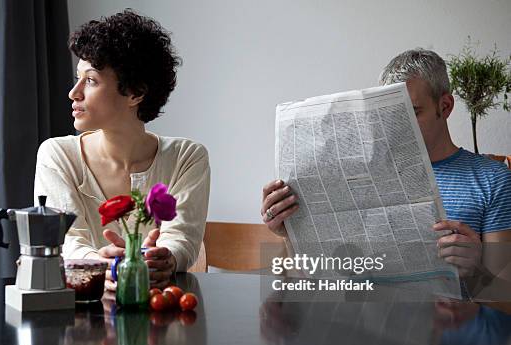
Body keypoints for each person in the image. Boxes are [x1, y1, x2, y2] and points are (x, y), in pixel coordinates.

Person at [261, 48, 511, 281]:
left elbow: (504, 296)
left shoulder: (493, 180)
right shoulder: (359, 174)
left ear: (444, 106)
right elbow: (303, 281)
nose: (399, 125)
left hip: (453, 324)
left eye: (412, 111)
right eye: (391, 113)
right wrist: (291, 235)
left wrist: (478, 266)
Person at [34, 10, 210, 290]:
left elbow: (182, 238)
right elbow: (68, 241)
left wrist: (165, 259)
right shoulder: (57, 155)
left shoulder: (186, 158)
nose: (74, 92)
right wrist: (100, 265)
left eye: (90, 80)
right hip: (80, 318)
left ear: (135, 93)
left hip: (162, 316)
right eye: (77, 78)